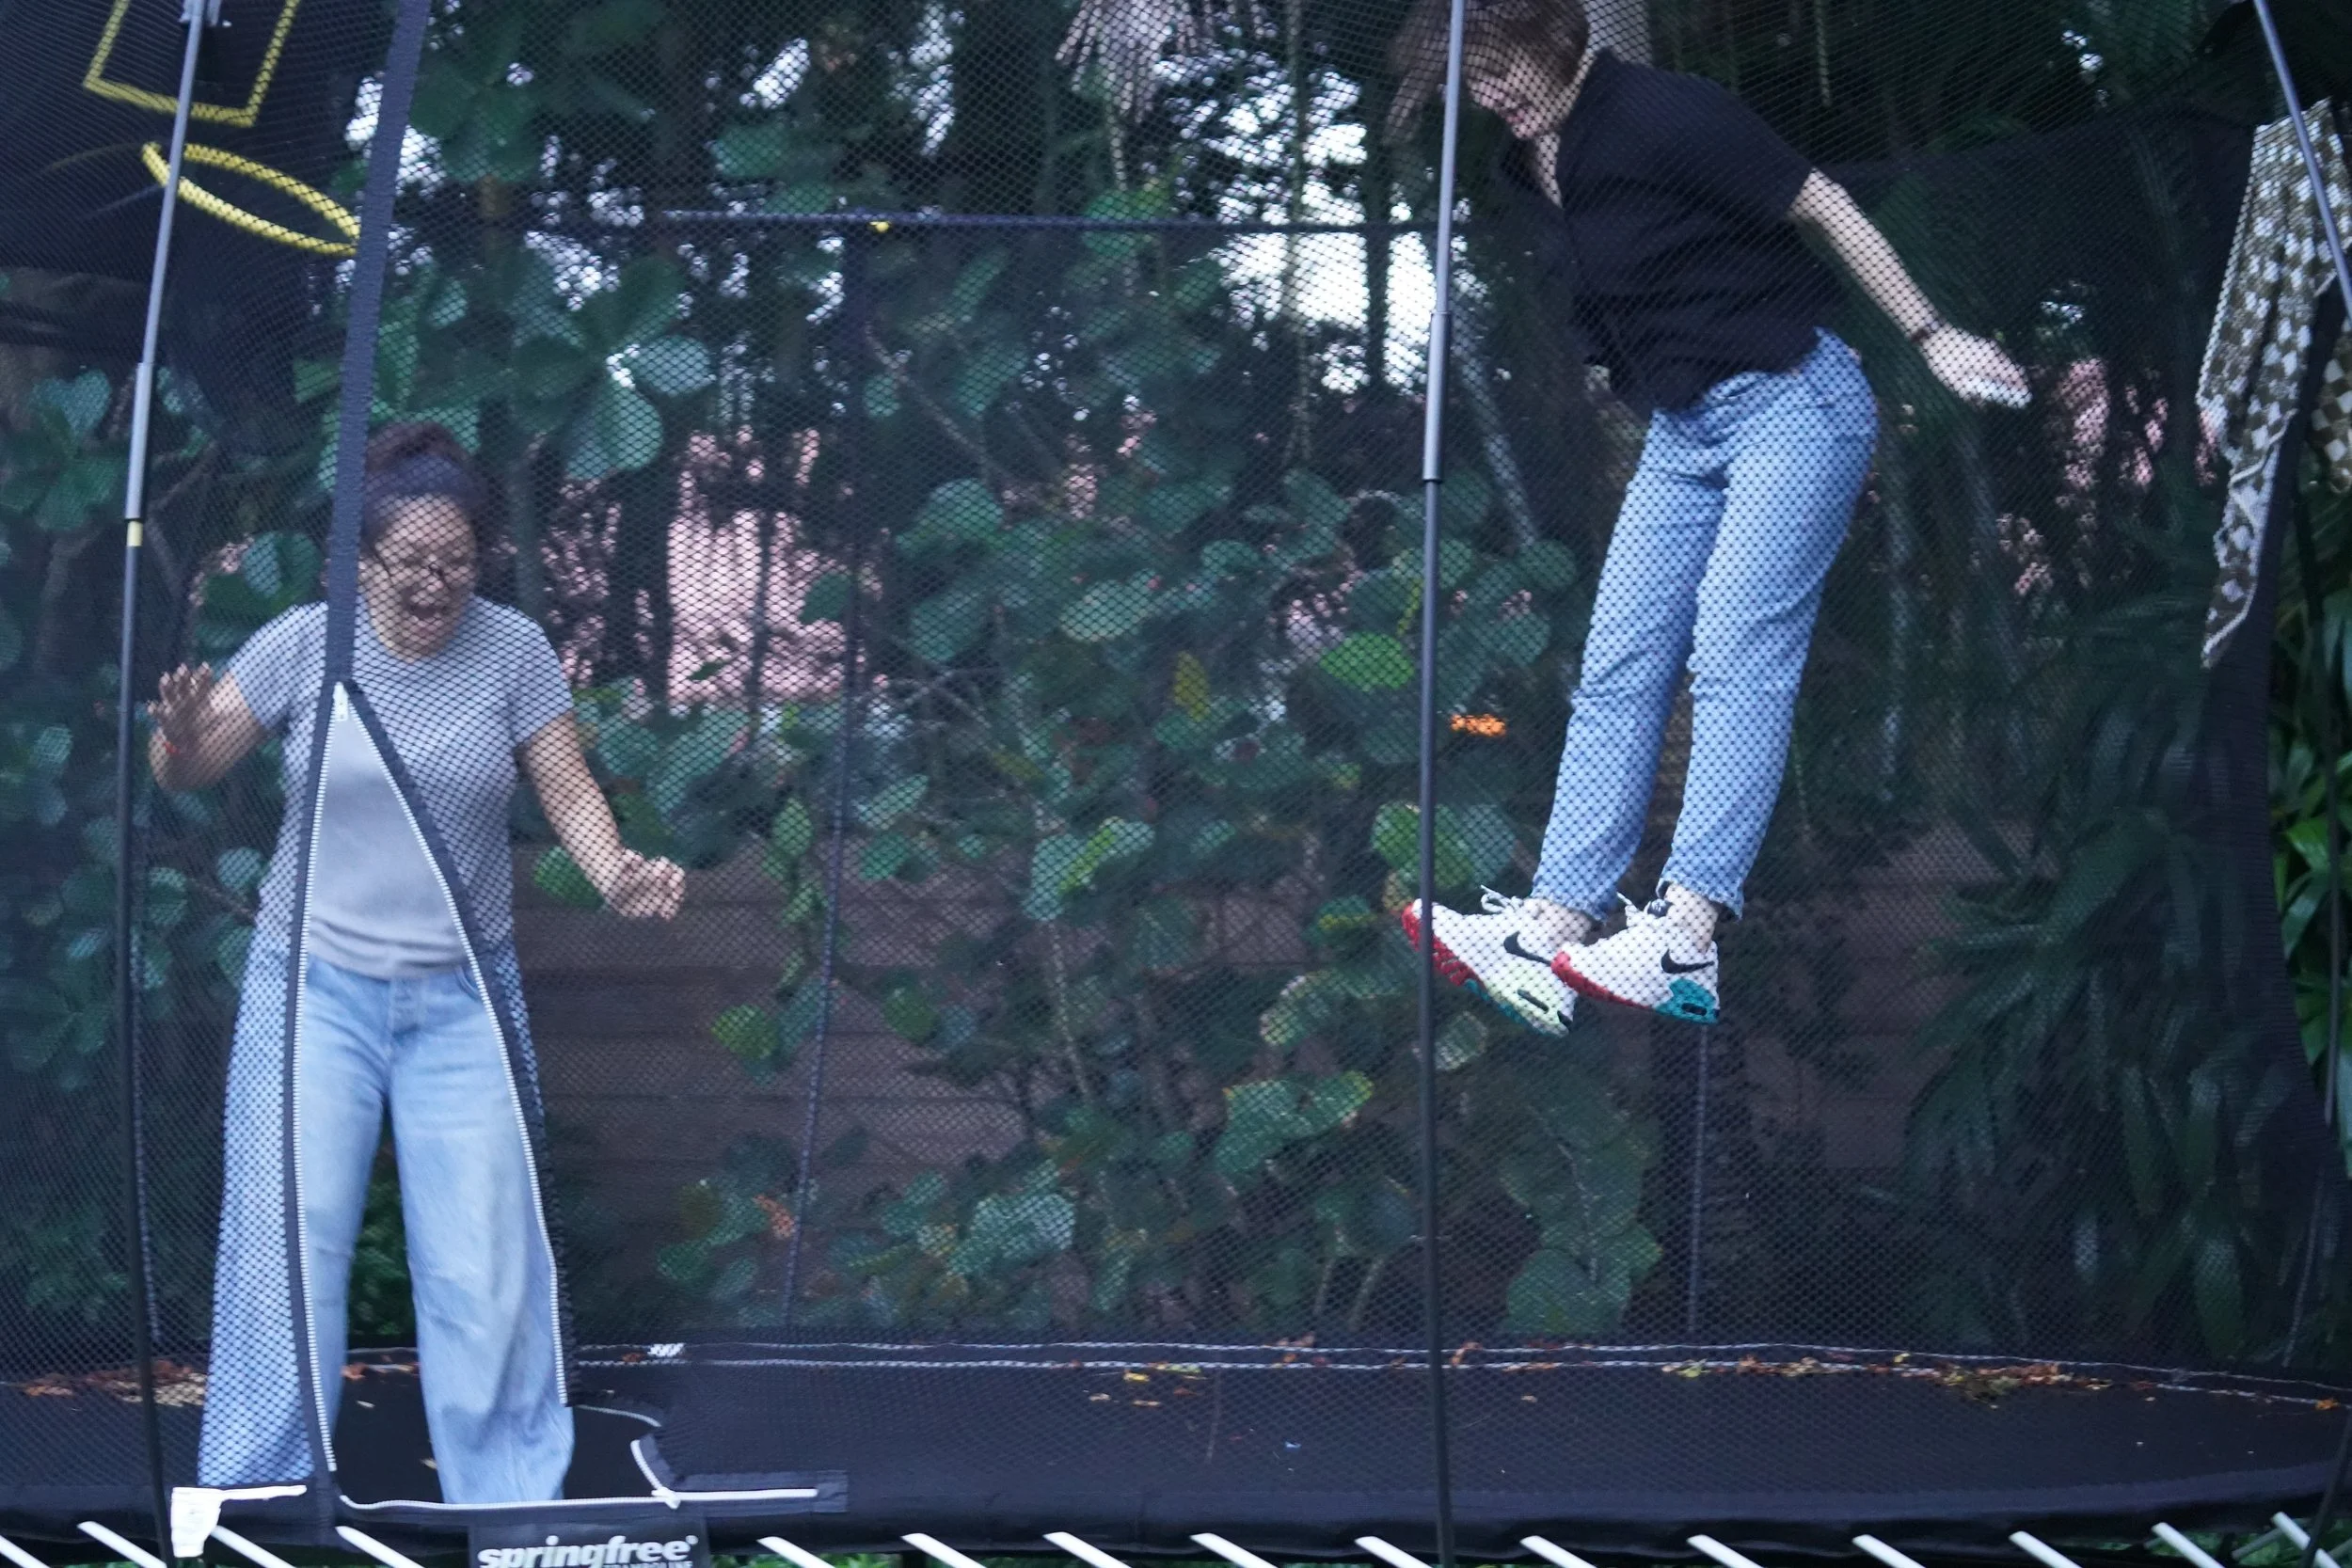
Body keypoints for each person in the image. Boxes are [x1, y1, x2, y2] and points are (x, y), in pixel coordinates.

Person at [1390, 0, 2028, 1032]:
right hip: (1684, 433)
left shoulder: (1661, 114)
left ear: (1557, 40)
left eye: (1502, 67)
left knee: (1734, 649)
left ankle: (1684, 940)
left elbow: (1820, 204)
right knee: (1619, 662)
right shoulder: (1526, 170)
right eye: (1473, 80)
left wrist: (1930, 332)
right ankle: (1552, 931)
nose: (1490, 94)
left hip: (1793, 402)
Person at [154, 423, 684, 1502]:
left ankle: (508, 1502)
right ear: (360, 562)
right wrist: (173, 738)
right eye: (410, 563)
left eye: (456, 562)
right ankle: (261, 1492)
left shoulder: (515, 650)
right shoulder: (306, 641)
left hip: (463, 1001)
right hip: (313, 991)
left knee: (486, 1261)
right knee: (286, 1240)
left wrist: (614, 868)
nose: (434, 584)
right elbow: (197, 764)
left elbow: (568, 787)